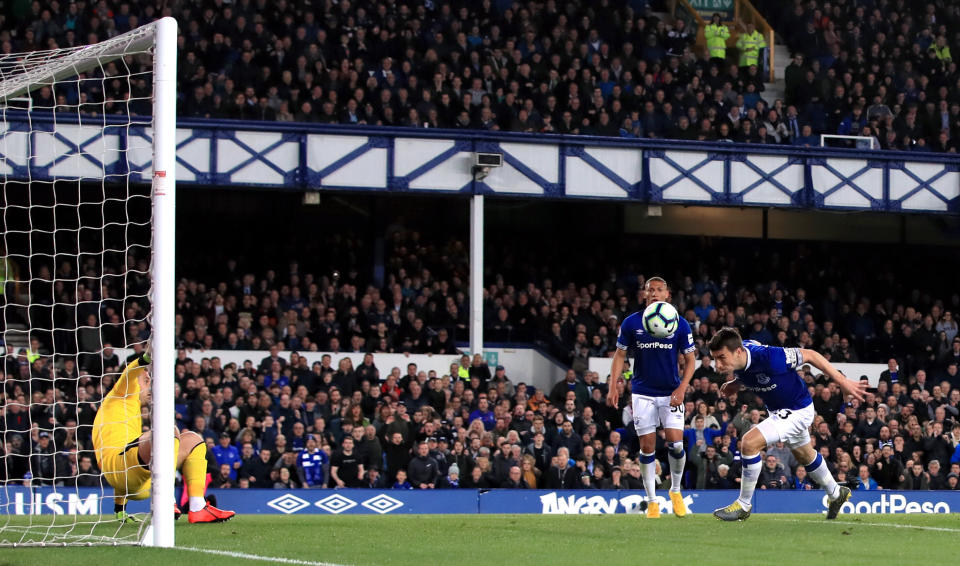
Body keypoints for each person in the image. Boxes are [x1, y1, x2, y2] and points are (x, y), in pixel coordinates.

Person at [708, 327, 866, 521]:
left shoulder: (771, 357)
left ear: (738, 351)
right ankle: (836, 493)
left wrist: (843, 381)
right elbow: (750, 362)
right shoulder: (742, 356)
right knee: (806, 456)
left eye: (721, 357)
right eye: (715, 358)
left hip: (798, 410)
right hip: (780, 411)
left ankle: (743, 504)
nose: (717, 364)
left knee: (749, 443)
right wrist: (737, 383)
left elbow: (810, 355)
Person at [92, 351, 235, 523]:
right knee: (166, 430)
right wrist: (145, 359)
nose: (150, 385)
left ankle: (197, 506)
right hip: (123, 471)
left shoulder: (126, 412)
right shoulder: (121, 394)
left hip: (140, 484)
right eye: (146, 381)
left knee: (193, 440)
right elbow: (130, 372)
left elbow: (122, 463)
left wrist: (119, 508)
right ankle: (167, 500)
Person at [607, 277, 695, 518]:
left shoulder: (680, 323)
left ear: (667, 294)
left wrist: (682, 388)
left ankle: (675, 491)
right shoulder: (631, 323)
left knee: (676, 445)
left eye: (659, 290)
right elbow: (619, 355)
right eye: (650, 290)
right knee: (647, 448)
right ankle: (652, 500)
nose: (654, 293)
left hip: (670, 393)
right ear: (644, 294)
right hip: (642, 394)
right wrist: (613, 385)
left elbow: (690, 360)